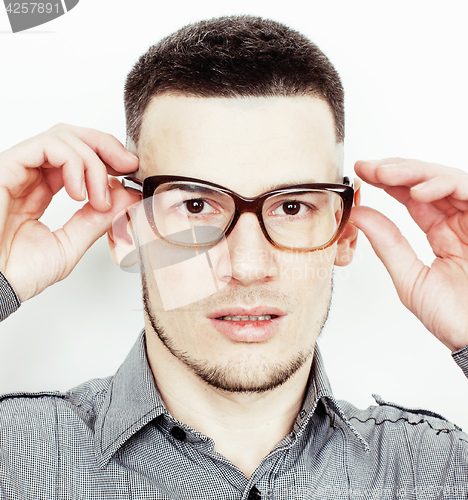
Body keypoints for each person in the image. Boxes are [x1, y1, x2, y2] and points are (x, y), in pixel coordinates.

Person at [0, 15, 467, 500]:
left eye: (291, 206)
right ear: (127, 229)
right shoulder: (13, 458)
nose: (247, 267)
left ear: (344, 231)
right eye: (195, 206)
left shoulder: (432, 470)